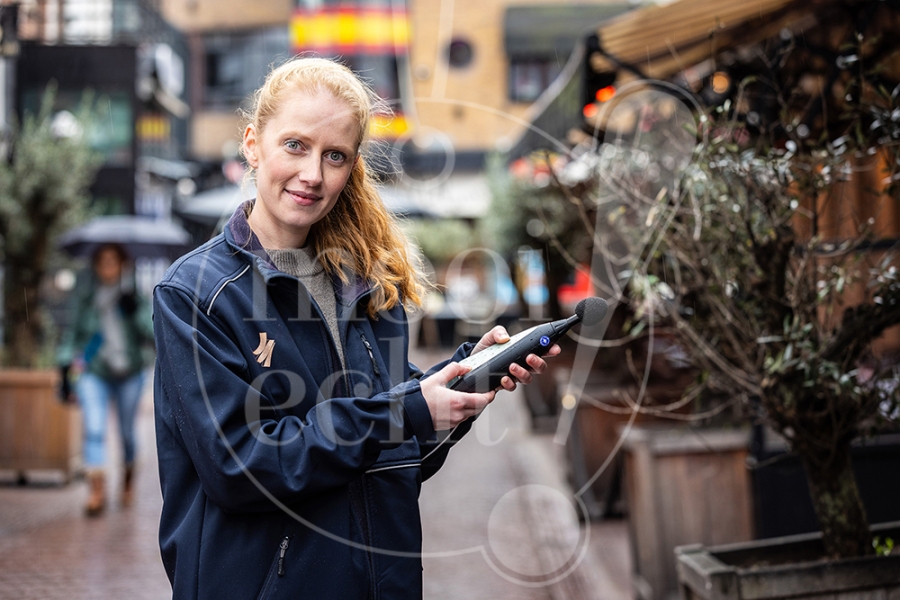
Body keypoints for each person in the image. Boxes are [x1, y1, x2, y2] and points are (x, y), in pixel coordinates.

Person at [152, 57, 559, 599]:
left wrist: (457, 389)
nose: (313, 174)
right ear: (252, 144)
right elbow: (239, 469)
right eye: (295, 145)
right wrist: (407, 410)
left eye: (335, 155)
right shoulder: (195, 294)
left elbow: (391, 463)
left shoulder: (370, 287)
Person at [57, 243, 154, 516]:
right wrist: (65, 365)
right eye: (103, 260)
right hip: (94, 372)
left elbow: (151, 331)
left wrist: (134, 310)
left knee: (126, 433)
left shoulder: (134, 293)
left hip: (130, 373)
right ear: (96, 265)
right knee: (95, 429)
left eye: (114, 260)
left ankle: (127, 480)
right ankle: (96, 492)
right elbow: (72, 334)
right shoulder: (86, 295)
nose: (108, 265)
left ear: (123, 263)